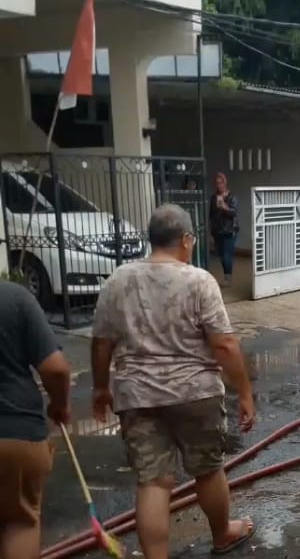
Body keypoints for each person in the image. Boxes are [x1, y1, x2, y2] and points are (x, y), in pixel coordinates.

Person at [91, 204, 256, 559]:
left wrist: (101, 388)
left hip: (137, 396)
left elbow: (101, 342)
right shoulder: (199, 281)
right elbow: (225, 344)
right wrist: (244, 393)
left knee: (153, 481)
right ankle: (222, 535)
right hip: (195, 393)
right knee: (208, 470)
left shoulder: (118, 280)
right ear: (185, 240)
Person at [0, 280, 72, 559]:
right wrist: (60, 404)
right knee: (20, 521)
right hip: (16, 430)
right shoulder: (14, 298)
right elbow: (55, 369)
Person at [209, 173, 239, 287]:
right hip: (217, 230)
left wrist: (225, 207)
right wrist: (211, 231)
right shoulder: (213, 198)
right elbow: (211, 215)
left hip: (230, 230)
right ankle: (227, 275)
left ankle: (228, 277)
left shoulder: (232, 197)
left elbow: (233, 212)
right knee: (221, 255)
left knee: (227, 255)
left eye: (221, 182)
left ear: (225, 183)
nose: (219, 185)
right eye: (217, 183)